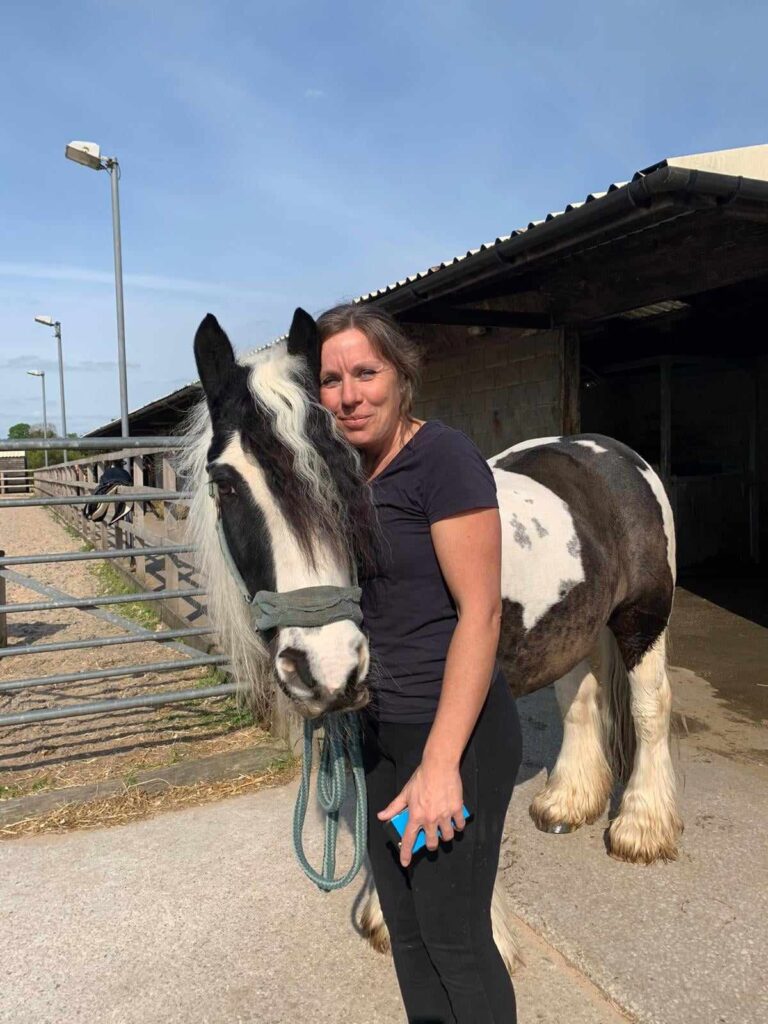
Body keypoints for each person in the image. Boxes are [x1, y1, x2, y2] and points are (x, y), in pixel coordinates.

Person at [317, 303, 523, 1024]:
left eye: (366, 372)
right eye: (332, 379)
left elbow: (482, 613)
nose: (350, 394)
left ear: (402, 376)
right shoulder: (345, 478)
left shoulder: (442, 458)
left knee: (455, 937)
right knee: (405, 933)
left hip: (454, 736)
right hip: (382, 736)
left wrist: (440, 764)